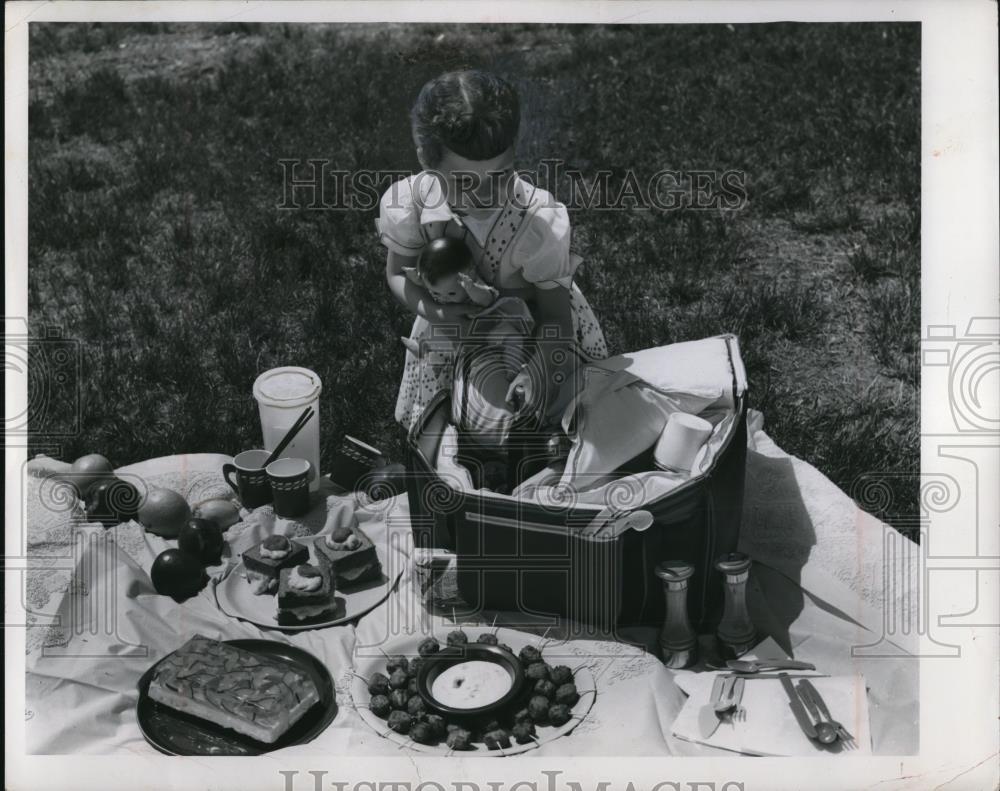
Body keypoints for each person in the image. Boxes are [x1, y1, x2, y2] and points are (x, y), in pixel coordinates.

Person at [376, 68, 608, 431]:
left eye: (500, 175)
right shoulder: (410, 204)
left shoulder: (538, 223)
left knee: (529, 428)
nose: (485, 195)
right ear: (425, 158)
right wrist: (436, 312)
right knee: (444, 428)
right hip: (451, 326)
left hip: (530, 332)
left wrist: (536, 372)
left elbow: (556, 320)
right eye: (464, 181)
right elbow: (396, 273)